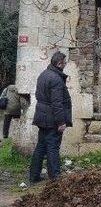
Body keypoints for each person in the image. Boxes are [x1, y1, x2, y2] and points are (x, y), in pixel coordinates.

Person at [29, 51, 72, 183]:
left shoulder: (43, 75)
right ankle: (55, 177)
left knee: (41, 146)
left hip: (42, 116)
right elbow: (57, 103)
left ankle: (34, 176)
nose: (65, 65)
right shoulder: (56, 79)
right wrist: (61, 122)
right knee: (53, 147)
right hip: (52, 119)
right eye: (64, 63)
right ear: (59, 63)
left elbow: (38, 96)